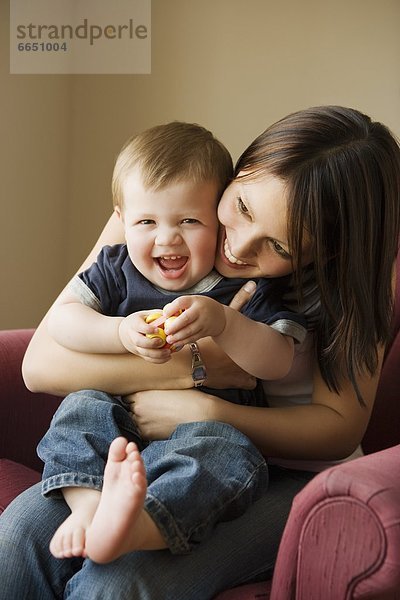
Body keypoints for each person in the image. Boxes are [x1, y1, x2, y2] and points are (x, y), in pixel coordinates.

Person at [1, 105, 399, 600]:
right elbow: (41, 364)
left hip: (278, 469)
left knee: (123, 579)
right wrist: (191, 368)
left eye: (280, 246)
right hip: (154, 442)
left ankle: (134, 526)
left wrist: (211, 408)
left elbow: (338, 430)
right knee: (19, 532)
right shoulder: (170, 203)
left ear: (327, 253)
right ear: (242, 169)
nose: (239, 248)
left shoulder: (359, 281)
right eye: (244, 208)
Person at [38, 121, 307, 563]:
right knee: (80, 406)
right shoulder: (115, 266)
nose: (167, 238)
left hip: (203, 432)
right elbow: (62, 323)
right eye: (147, 221)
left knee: (229, 453)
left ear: (217, 217)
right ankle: (88, 509)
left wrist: (225, 324)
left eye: (189, 220)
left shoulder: (241, 286)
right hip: (120, 424)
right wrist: (119, 331)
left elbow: (277, 362)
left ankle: (141, 525)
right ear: (123, 222)